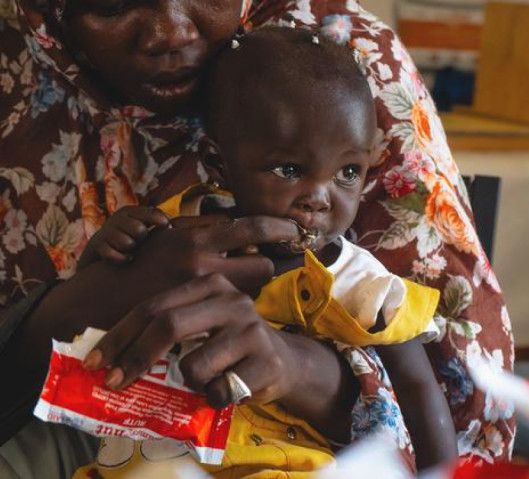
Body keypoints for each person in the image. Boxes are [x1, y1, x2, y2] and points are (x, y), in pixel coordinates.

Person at [0, 0, 514, 476]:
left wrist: (294, 368)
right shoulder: (5, 84)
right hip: (95, 432)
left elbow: (462, 417)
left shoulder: (344, 72)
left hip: (315, 446)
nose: (169, 31)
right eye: (113, 2)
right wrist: (89, 302)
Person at [74, 27, 458, 477]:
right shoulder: (176, 232)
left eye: (348, 172)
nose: (319, 196)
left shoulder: (358, 282)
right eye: (290, 169)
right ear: (221, 164)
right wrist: (107, 251)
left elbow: (417, 389)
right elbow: (91, 311)